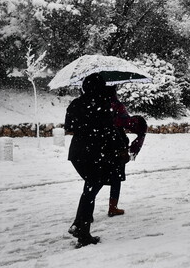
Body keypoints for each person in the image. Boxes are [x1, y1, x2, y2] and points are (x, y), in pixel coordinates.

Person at [65, 73, 124, 248]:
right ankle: (82, 232)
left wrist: (85, 127)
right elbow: (110, 131)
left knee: (89, 188)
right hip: (95, 153)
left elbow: (69, 128)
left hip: (77, 153)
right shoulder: (102, 105)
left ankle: (79, 225)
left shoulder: (75, 104)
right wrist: (121, 147)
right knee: (91, 190)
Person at [105, 86, 147, 217]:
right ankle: (113, 207)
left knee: (95, 181)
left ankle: (87, 212)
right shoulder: (117, 106)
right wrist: (139, 126)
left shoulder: (96, 104)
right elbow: (126, 122)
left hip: (100, 145)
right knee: (116, 178)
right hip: (116, 146)